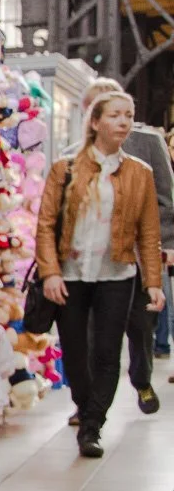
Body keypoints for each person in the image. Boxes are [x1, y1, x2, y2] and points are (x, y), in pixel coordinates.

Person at [39, 86, 166, 457]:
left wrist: (154, 282)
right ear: (94, 123)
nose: (123, 122)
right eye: (114, 115)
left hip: (118, 275)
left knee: (108, 354)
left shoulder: (138, 173)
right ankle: (85, 403)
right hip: (72, 275)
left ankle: (92, 425)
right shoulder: (64, 170)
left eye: (128, 115)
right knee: (76, 353)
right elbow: (46, 224)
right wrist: (50, 272)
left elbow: (148, 231)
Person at [77, 80, 174, 410]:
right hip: (89, 261)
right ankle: (88, 406)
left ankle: (142, 378)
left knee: (140, 325)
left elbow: (165, 200)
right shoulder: (72, 156)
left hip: (135, 257)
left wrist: (160, 245)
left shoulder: (147, 143)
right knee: (90, 333)